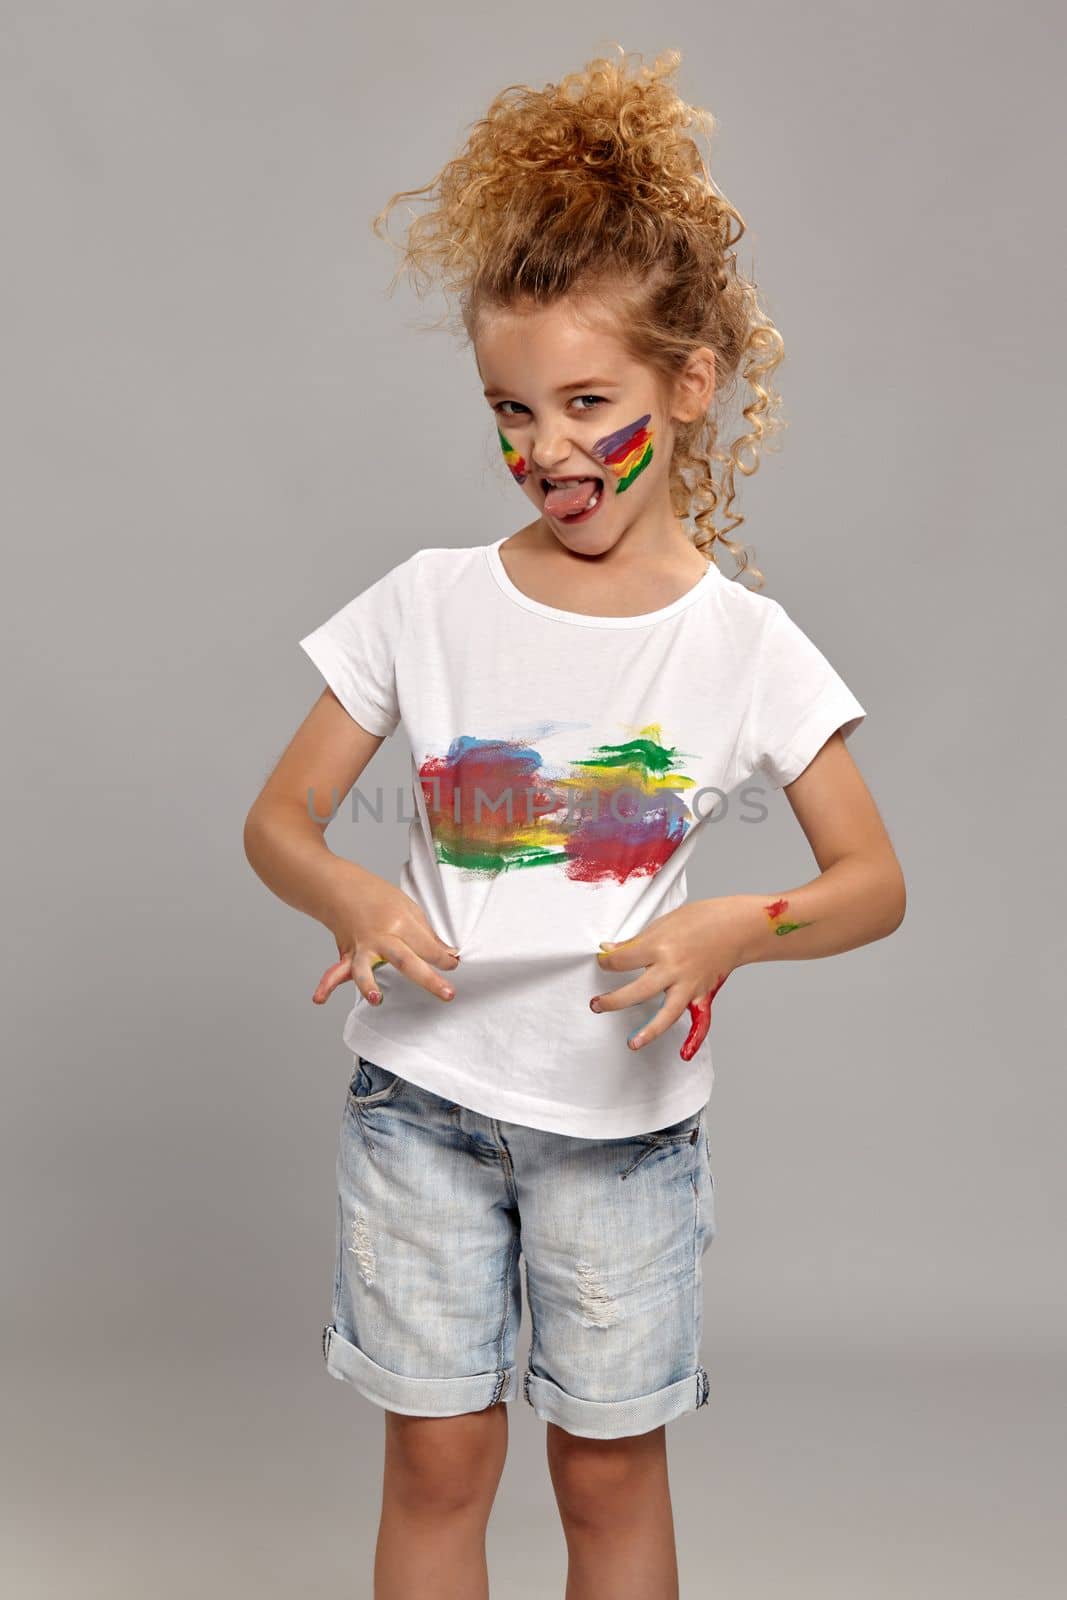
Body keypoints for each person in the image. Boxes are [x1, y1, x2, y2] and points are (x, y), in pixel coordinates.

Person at [243, 44, 906, 1600]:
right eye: (511, 408)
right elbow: (278, 816)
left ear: (688, 388)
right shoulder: (427, 601)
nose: (547, 448)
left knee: (608, 1477)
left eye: (586, 402)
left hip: (623, 1142)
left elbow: (872, 882)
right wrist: (344, 889)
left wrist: (742, 924)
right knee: (436, 1462)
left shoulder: (745, 646)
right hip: (420, 1110)